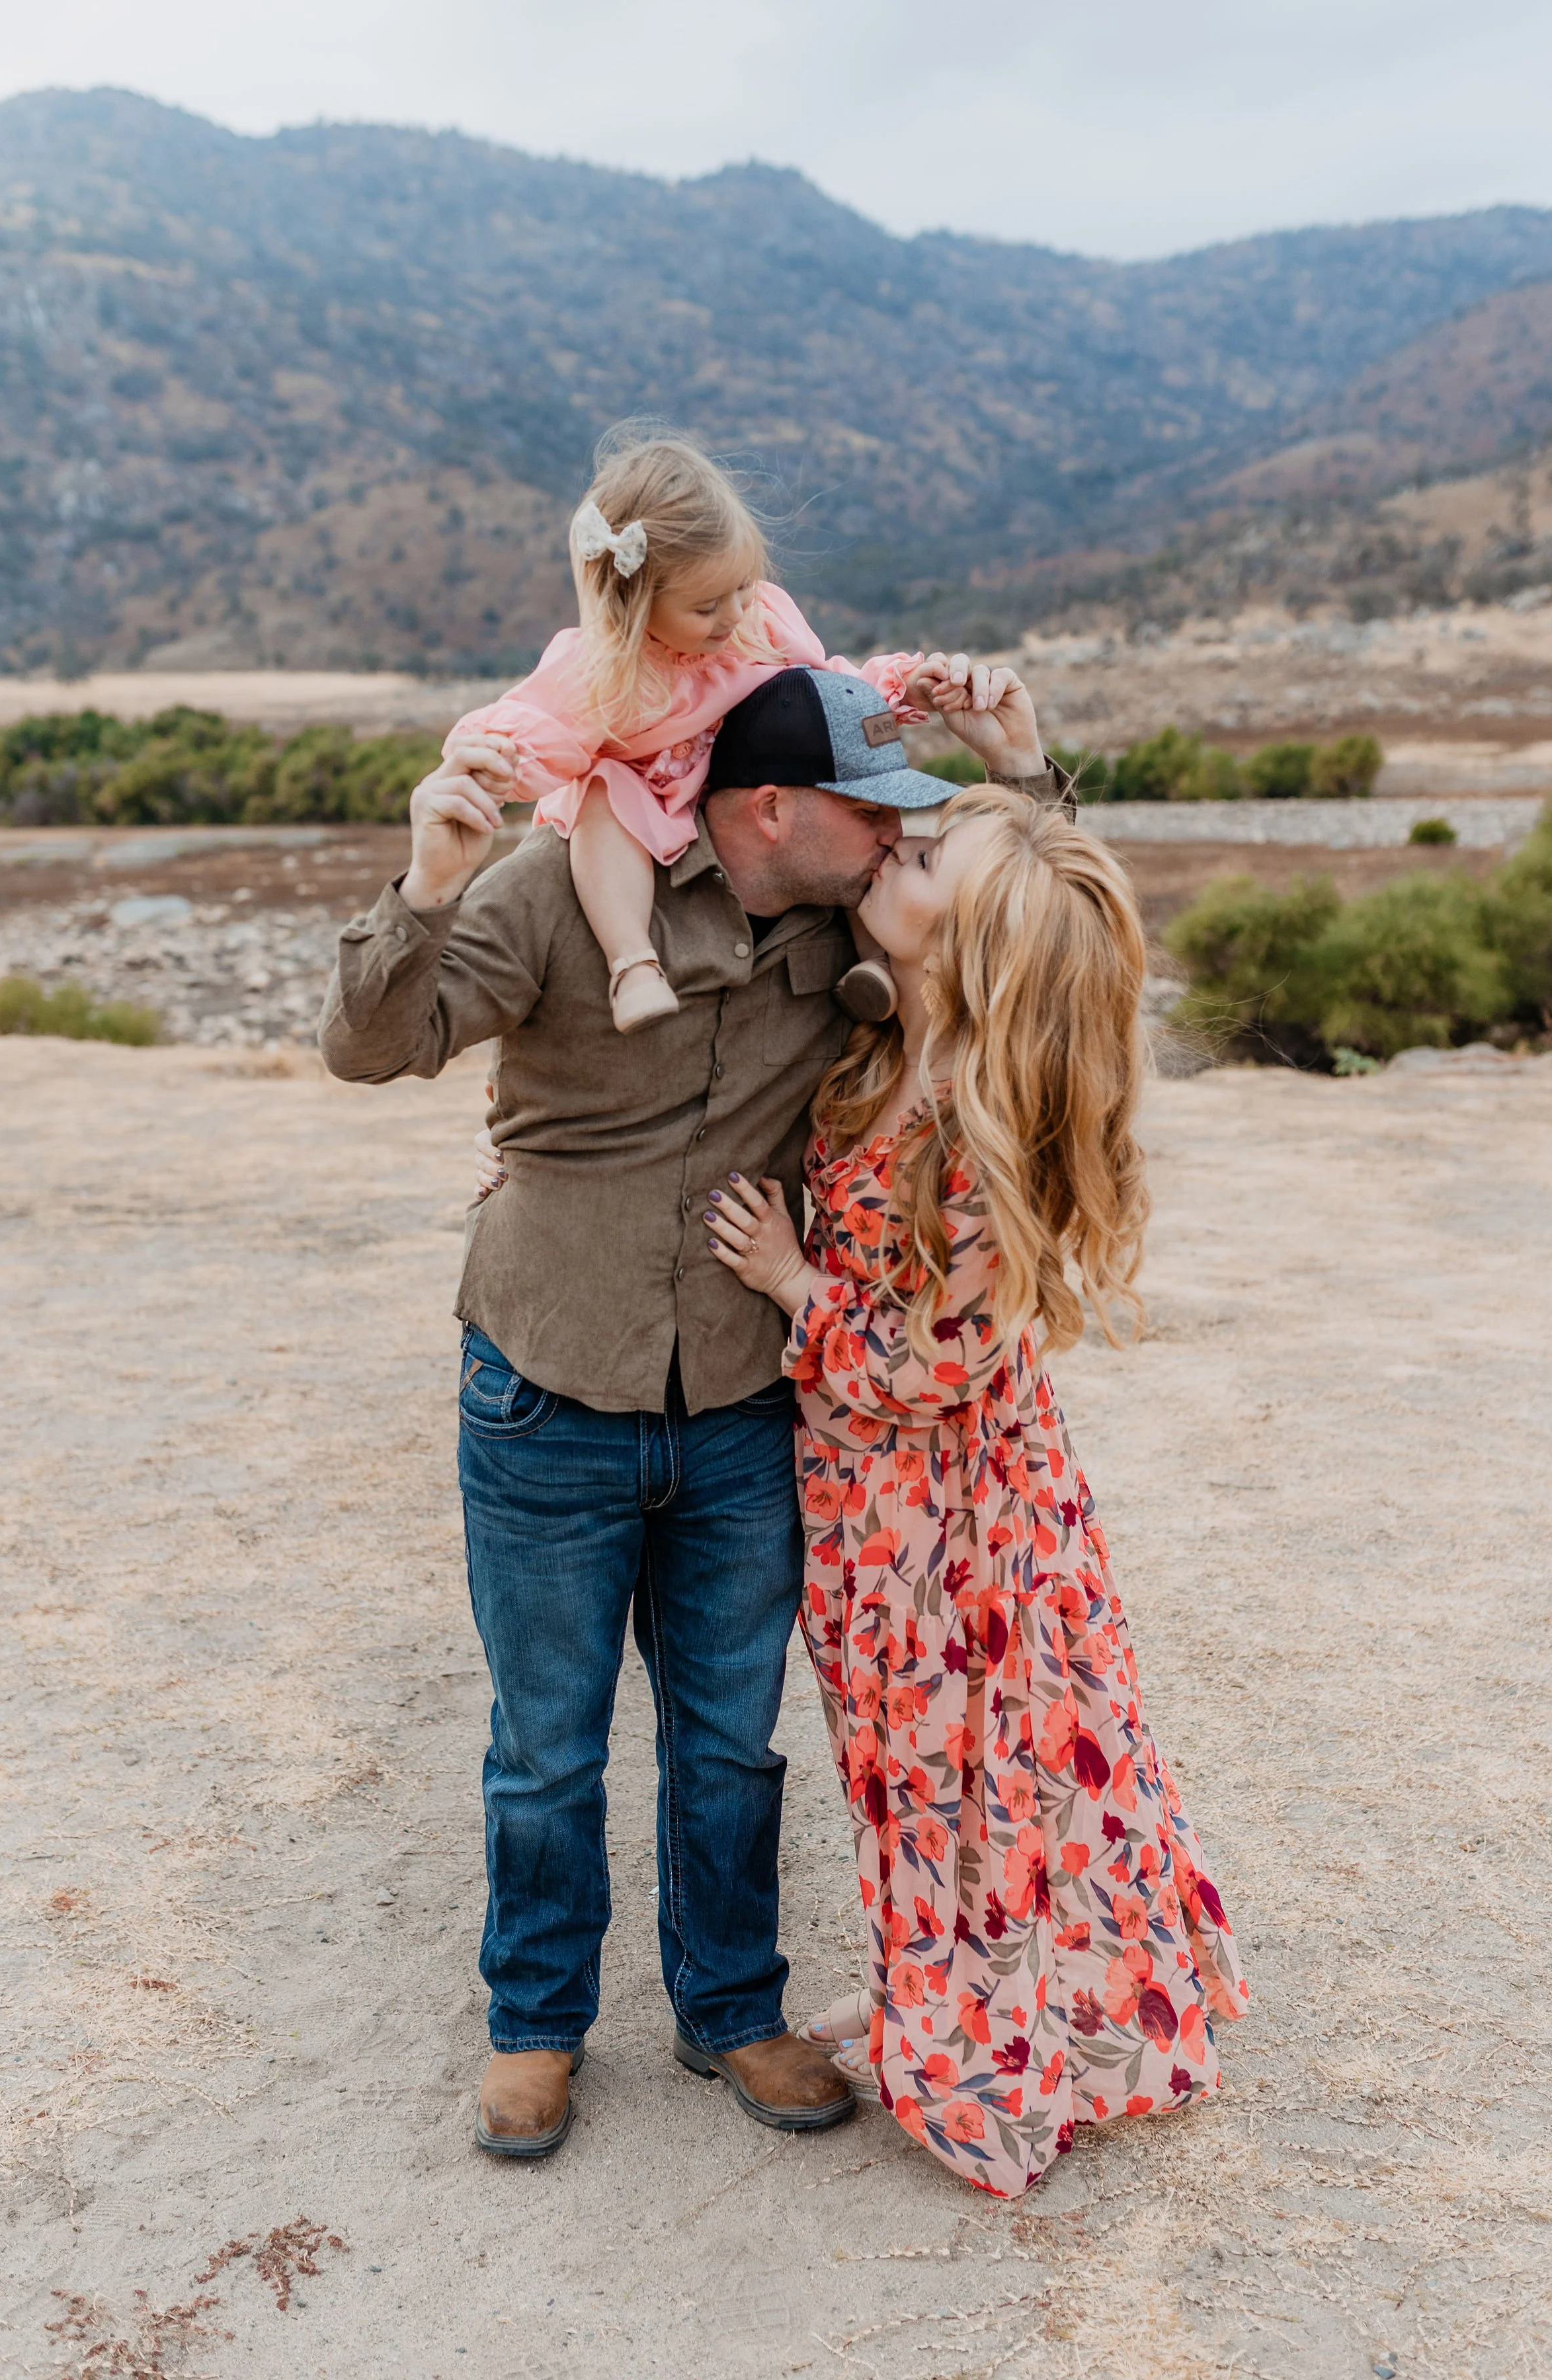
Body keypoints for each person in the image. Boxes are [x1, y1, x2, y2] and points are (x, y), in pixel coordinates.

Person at [318, 643, 1065, 2162]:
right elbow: (373, 1045)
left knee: (729, 1740)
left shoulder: (850, 932)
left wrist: (1026, 769)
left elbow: (1046, 942)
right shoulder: (549, 893)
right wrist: (426, 881)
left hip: (737, 1406)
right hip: (545, 1385)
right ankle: (533, 2023)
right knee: (547, 1741)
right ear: (769, 804)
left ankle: (730, 2005)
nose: (902, 840)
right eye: (876, 814)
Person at [702, 764, 1249, 2199]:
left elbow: (919, 1365)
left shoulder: (979, 1110)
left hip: (956, 1525)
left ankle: (984, 2035)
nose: (896, 847)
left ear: (974, 930)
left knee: (973, 1783)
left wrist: (786, 1281)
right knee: (920, 1781)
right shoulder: (901, 1046)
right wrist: (1012, 753)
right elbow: (1028, 864)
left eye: (928, 851)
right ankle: (942, 1989)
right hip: (883, 1511)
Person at [443, 428, 934, 1031]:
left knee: (853, 822)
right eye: (706, 608)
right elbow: (541, 723)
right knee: (603, 797)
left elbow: (826, 689)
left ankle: (875, 961)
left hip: (734, 784)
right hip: (648, 791)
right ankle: (632, 964)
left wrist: (899, 689)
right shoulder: (602, 673)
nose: (732, 616)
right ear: (635, 602)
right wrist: (495, 758)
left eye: (742, 588)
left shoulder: (760, 623)